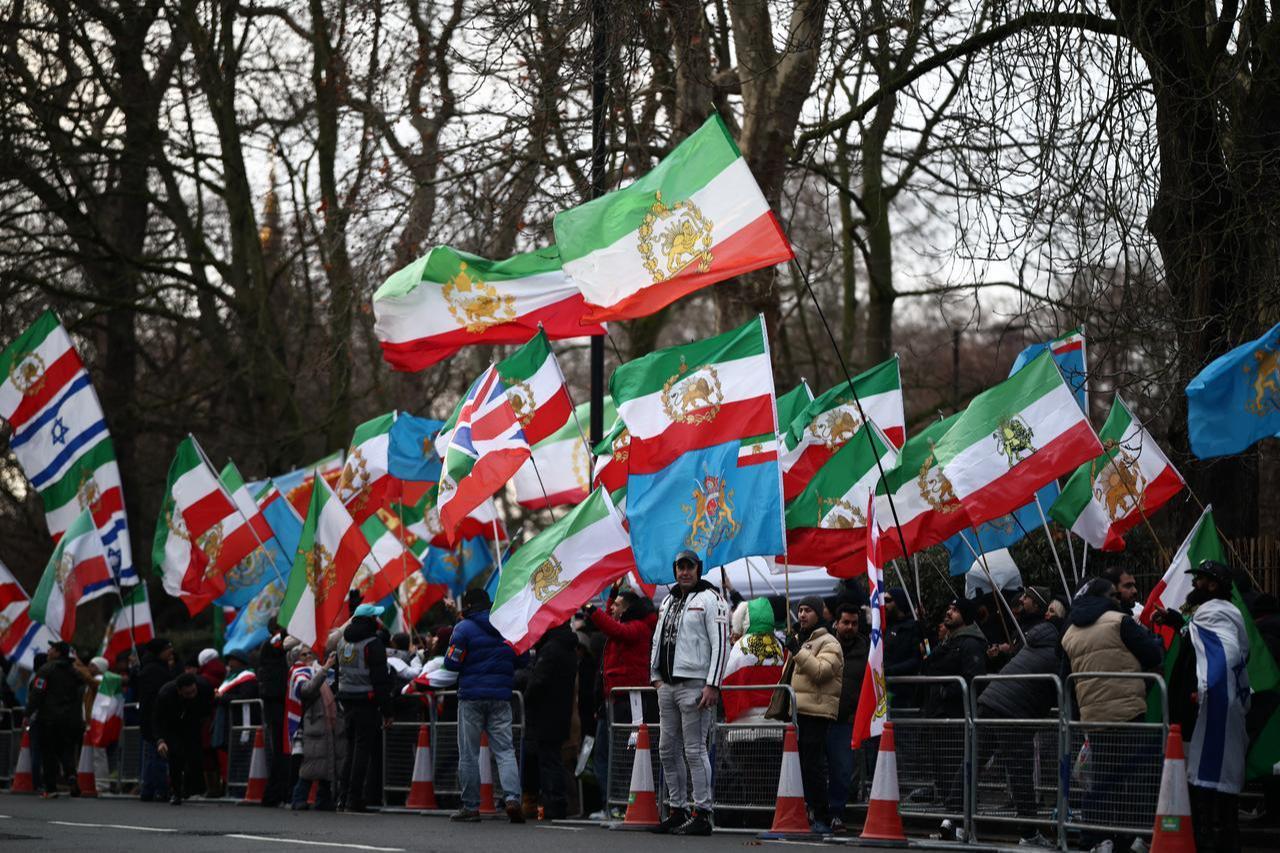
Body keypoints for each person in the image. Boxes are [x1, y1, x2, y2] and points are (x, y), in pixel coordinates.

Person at [1061, 577, 1164, 852]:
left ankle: (1100, 838)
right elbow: (1153, 654)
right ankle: (1133, 838)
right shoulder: (1119, 621)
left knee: (1102, 779)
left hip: (1093, 717)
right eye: (1113, 594)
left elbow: (1065, 679)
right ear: (1105, 597)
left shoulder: (1069, 632)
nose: (1119, 598)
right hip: (1128, 712)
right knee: (1136, 778)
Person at [1153, 560, 1250, 852]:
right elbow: (1194, 635)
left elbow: (1226, 653)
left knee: (1213, 776)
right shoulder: (1204, 615)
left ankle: (1217, 839)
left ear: (1214, 585)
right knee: (1197, 775)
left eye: (1200, 580)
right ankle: (1203, 835)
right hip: (1194, 709)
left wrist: (1207, 688)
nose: (1194, 585)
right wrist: (1173, 619)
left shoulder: (1220, 614)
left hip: (1209, 706)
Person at [649, 550, 729, 836]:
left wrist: (713, 684)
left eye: (689, 567)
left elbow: (721, 644)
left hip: (696, 685)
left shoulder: (711, 599)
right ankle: (678, 808)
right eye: (680, 567)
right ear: (674, 570)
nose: (684, 572)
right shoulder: (668, 600)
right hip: (668, 686)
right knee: (666, 750)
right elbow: (658, 638)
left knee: (694, 750)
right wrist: (655, 676)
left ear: (699, 569)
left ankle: (703, 812)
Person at [973, 597, 1065, 848]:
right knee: (1020, 772)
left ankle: (952, 820)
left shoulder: (1034, 640)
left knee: (974, 761)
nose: (1047, 614)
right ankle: (1028, 831)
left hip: (993, 701)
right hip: (1012, 712)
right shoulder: (1056, 648)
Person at [444, 588, 525, 823]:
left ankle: (470, 806)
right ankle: (512, 799)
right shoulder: (506, 626)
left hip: (471, 697)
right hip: (501, 696)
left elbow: (451, 663)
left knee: (469, 753)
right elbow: (523, 658)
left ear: (468, 606)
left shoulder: (463, 628)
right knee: (505, 750)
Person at [584, 585, 658, 818]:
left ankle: (623, 803)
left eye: (616, 604)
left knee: (624, 754)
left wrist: (591, 610)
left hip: (629, 701)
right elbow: (612, 623)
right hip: (614, 700)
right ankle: (612, 804)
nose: (612, 607)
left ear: (626, 609)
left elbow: (615, 628)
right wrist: (611, 596)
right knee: (607, 754)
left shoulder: (639, 628)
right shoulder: (628, 624)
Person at [922, 597, 987, 831]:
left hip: (956, 716)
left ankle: (961, 820)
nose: (949, 612)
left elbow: (974, 679)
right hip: (939, 715)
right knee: (942, 769)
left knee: (955, 769)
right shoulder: (948, 642)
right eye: (948, 608)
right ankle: (952, 818)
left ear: (966, 616)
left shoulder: (970, 643)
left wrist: (946, 690)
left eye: (955, 610)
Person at [783, 595, 843, 834]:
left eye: (808, 610)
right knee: (801, 766)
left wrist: (797, 651)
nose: (803, 615)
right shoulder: (800, 639)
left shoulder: (830, 642)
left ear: (819, 614)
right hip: (798, 711)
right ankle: (807, 812)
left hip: (816, 712)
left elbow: (821, 672)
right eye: (800, 610)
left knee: (812, 766)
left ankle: (822, 816)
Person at [335, 603, 392, 812]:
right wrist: (387, 711)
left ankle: (343, 797)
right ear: (369, 620)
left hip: (346, 701)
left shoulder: (341, 642)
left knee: (350, 750)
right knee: (361, 751)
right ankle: (354, 798)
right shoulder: (373, 643)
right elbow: (380, 680)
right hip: (366, 702)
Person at [521, 621, 578, 820]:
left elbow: (538, 680)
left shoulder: (551, 649)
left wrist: (527, 697)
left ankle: (554, 803)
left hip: (546, 712)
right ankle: (557, 803)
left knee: (548, 761)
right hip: (560, 711)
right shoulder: (568, 647)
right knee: (553, 758)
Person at [27, 641, 92, 797]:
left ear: (57, 653)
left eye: (51, 649)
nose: (48, 651)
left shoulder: (46, 669)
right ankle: (71, 775)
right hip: (71, 719)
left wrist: (27, 713)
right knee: (66, 750)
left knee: (48, 752)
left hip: (49, 718)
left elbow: (37, 693)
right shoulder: (74, 671)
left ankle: (51, 788)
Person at [826, 602, 868, 833]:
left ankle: (836, 814)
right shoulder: (825, 645)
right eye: (846, 623)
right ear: (837, 623)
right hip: (822, 716)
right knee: (819, 768)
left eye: (854, 623)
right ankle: (818, 812)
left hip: (846, 719)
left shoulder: (867, 648)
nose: (850, 627)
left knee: (842, 769)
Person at [292, 647, 343, 811]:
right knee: (311, 765)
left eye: (310, 653)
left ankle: (324, 799)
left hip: (327, 723)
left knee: (328, 761)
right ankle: (298, 798)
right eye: (303, 654)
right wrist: (325, 668)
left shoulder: (318, 670)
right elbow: (307, 690)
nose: (308, 656)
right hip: (313, 724)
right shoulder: (299, 672)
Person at [154, 672, 214, 804]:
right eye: (188, 694)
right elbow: (158, 720)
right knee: (175, 756)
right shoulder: (165, 694)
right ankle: (176, 792)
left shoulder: (204, 687)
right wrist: (160, 740)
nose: (192, 695)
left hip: (193, 723)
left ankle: (191, 789)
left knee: (195, 756)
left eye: (193, 692)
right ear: (179, 690)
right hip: (172, 726)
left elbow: (209, 707)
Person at [134, 637, 180, 801]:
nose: (171, 651)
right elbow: (156, 698)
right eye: (168, 648)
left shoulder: (153, 668)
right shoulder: (155, 671)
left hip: (151, 717)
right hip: (155, 718)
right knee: (159, 754)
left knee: (153, 755)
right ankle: (161, 789)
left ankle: (148, 789)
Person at [883, 588, 923, 709]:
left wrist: (889, 671)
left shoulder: (913, 628)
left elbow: (916, 660)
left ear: (899, 602)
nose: (884, 604)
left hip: (904, 693)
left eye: (888, 600)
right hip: (884, 691)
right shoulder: (885, 627)